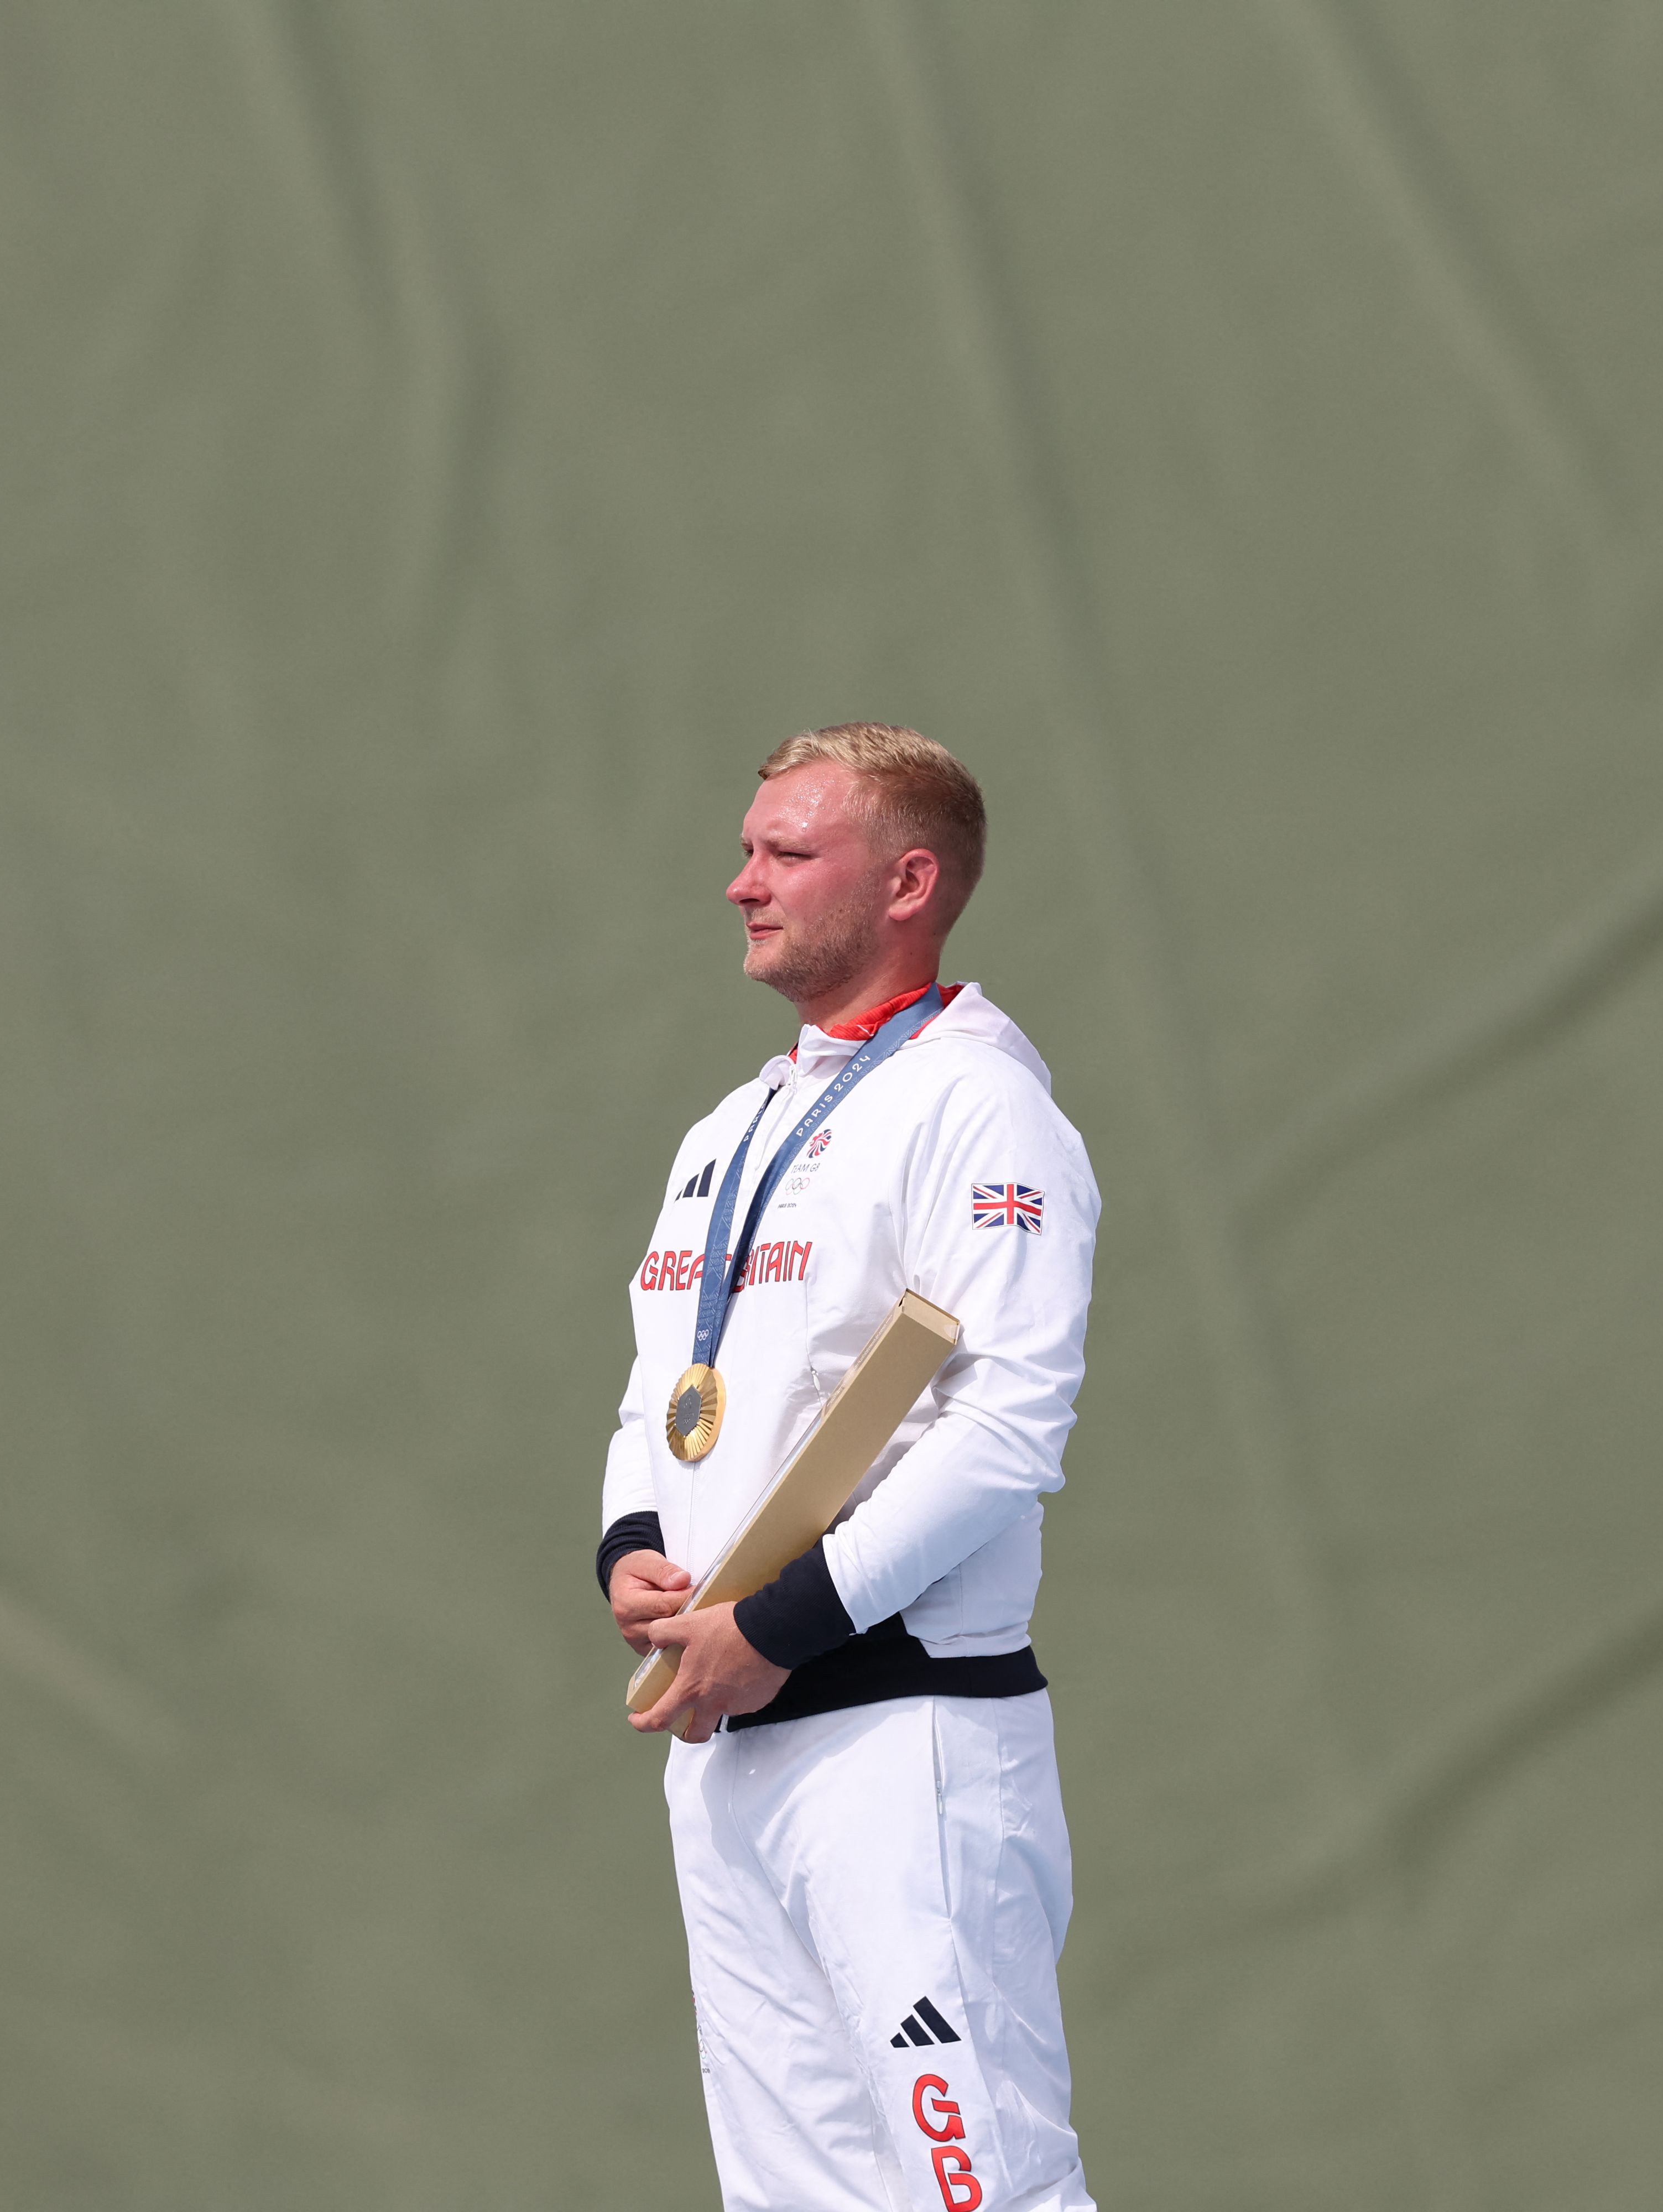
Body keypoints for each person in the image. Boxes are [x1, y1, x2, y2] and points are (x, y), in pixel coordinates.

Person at [596, 725, 1100, 2211]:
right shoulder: (731, 1129)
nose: (741, 882)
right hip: (730, 1754)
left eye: (786, 854)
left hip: (903, 1743)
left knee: (978, 2190)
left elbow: (1005, 1432)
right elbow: (661, 1389)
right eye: (750, 849)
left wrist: (772, 1627)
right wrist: (633, 1544)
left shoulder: (980, 1108)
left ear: (908, 882)